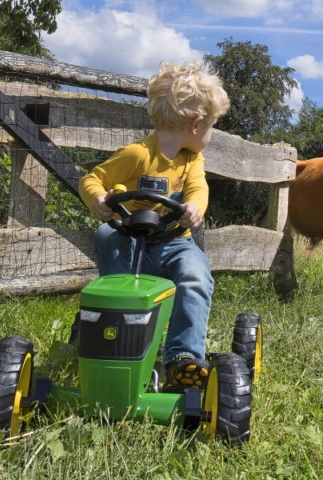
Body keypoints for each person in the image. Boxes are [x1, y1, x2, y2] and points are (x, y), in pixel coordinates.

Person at [79, 62, 229, 392]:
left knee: (195, 273)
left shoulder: (192, 161)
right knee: (106, 235)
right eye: (212, 126)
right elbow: (93, 179)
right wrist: (97, 200)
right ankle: (118, 331)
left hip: (175, 242)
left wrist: (195, 208)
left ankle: (182, 359)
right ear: (196, 123)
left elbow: (198, 190)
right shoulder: (137, 154)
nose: (210, 134)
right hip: (130, 240)